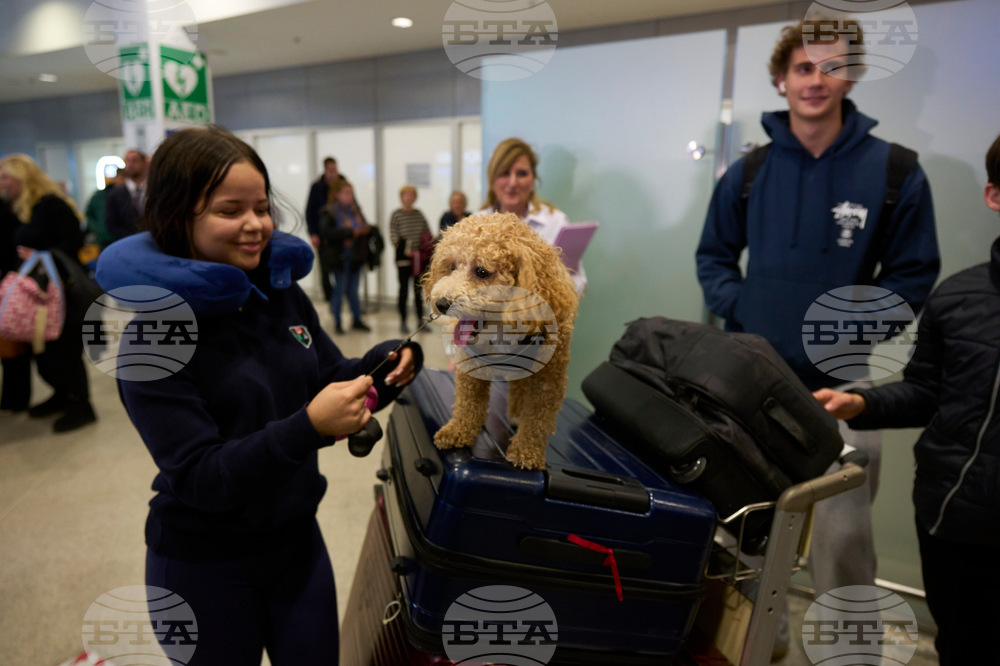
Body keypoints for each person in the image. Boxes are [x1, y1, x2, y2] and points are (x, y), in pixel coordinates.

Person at [94, 126, 423, 665]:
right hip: (204, 566)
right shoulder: (153, 339)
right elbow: (202, 476)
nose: (255, 226)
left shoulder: (278, 294)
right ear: (179, 217)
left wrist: (385, 366)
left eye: (262, 207)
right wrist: (308, 428)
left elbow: (328, 377)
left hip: (296, 545)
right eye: (230, 210)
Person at [694, 17, 940, 639]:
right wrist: (742, 310)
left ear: (851, 76)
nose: (817, 80)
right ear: (782, 80)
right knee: (751, 523)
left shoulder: (896, 171)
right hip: (755, 382)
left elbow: (913, 275)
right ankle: (758, 641)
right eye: (804, 67)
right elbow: (714, 257)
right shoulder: (748, 173)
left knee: (844, 535)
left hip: (848, 383)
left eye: (832, 67)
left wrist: (848, 328)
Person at [813, 132, 1000, 666]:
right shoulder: (959, 297)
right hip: (952, 522)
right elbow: (927, 392)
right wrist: (863, 405)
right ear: (994, 195)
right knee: (962, 646)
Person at [0, 154, 97, 432]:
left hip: (60, 292)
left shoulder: (52, 205)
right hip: (36, 293)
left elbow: (72, 243)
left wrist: (42, 255)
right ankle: (62, 395)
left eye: (6, 176)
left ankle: (81, 404)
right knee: (45, 352)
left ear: (22, 177)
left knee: (64, 350)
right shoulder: (22, 208)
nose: (2, 182)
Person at [476, 137, 586, 294]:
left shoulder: (556, 221)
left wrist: (545, 289)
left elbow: (578, 282)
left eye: (521, 173)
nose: (513, 182)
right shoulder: (476, 223)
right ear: (492, 179)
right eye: (504, 173)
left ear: (533, 179)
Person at [320, 180, 371, 334]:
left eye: (351, 192)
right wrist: (349, 232)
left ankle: (356, 319)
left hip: (356, 256)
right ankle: (337, 321)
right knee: (339, 289)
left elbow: (364, 225)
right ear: (337, 194)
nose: (350, 196)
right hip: (340, 256)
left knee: (354, 290)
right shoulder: (329, 211)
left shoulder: (355, 210)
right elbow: (327, 233)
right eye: (346, 192)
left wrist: (366, 230)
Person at [389, 184, 431, 334]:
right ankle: (403, 321)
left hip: (419, 260)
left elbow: (427, 233)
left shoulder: (419, 214)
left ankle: (420, 321)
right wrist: (407, 250)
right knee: (403, 291)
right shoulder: (396, 215)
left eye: (411, 194)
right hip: (404, 261)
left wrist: (423, 250)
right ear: (401, 197)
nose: (409, 197)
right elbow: (394, 237)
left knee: (418, 291)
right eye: (406, 194)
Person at [305, 157, 348, 302]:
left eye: (335, 169)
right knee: (325, 271)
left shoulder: (343, 184)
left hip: (340, 235)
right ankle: (330, 300)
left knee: (342, 270)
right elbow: (310, 212)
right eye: (331, 170)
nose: (334, 173)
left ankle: (341, 300)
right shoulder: (317, 187)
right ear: (325, 170)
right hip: (323, 236)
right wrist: (313, 234)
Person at [105, 148, 148, 243]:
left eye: (134, 160)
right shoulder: (115, 195)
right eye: (127, 161)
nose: (130, 165)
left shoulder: (154, 191)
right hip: (127, 243)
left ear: (144, 163)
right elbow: (112, 225)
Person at [85, 169, 124, 249]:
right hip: (103, 239)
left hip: (120, 238)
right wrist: (97, 229)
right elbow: (89, 214)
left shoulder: (125, 195)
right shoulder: (98, 196)